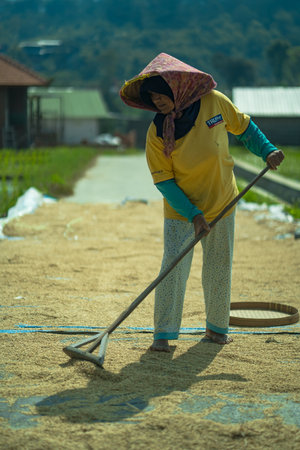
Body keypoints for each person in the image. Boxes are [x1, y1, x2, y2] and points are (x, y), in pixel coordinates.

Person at [120, 53, 284, 352]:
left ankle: (217, 329)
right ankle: (164, 335)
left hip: (222, 201)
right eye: (153, 97)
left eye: (162, 94)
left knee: (219, 266)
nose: (158, 101)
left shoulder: (215, 103)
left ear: (177, 89)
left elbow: (245, 128)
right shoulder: (157, 133)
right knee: (173, 267)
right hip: (182, 211)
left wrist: (268, 150)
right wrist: (193, 214)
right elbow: (164, 182)